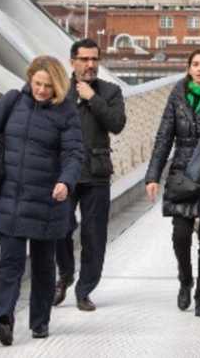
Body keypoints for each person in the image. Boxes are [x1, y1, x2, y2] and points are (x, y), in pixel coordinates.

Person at [0, 55, 83, 345]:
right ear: (30, 78)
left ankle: (40, 322)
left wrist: (65, 182)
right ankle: (4, 319)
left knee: (43, 267)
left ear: (58, 86)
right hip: (11, 198)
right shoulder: (12, 100)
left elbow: (74, 154)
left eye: (48, 86)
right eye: (38, 83)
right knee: (10, 263)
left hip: (48, 201)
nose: (42, 90)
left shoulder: (66, 112)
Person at [144, 47, 200, 318]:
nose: (199, 68)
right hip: (182, 173)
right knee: (181, 236)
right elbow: (164, 136)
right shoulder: (177, 95)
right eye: (195, 64)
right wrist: (153, 176)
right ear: (189, 68)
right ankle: (185, 280)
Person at [54, 39, 126, 311]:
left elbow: (117, 124)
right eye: (84, 59)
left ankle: (84, 290)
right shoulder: (59, 91)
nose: (90, 65)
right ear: (72, 61)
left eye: (94, 59)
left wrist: (92, 99)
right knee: (60, 229)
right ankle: (65, 274)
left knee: (94, 235)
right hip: (64, 174)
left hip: (96, 172)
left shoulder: (110, 91)